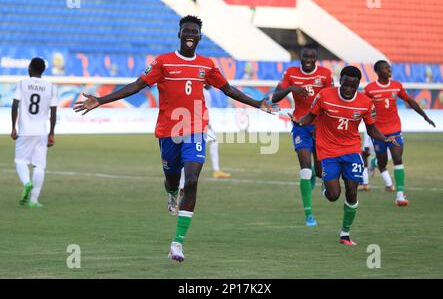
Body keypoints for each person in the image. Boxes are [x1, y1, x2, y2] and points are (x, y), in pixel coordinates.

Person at [73, 15, 274, 262]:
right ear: (179, 34)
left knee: (190, 181)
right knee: (171, 179)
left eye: (195, 31)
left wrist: (258, 104)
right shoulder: (163, 62)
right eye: (186, 31)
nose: (190, 35)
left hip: (196, 130)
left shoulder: (207, 65)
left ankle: (177, 244)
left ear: (200, 36)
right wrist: (101, 101)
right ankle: (170, 192)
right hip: (168, 132)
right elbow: (137, 86)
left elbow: (228, 89)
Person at [290, 66, 399, 246]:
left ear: (358, 85)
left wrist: (385, 138)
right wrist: (299, 122)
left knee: (352, 191)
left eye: (353, 86)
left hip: (351, 150)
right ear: (340, 80)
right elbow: (310, 116)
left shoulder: (365, 102)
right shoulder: (324, 95)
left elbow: (371, 128)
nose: (349, 89)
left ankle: (345, 234)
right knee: (333, 195)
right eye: (346, 84)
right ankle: (326, 183)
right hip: (328, 151)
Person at [272, 47, 333, 227]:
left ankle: (317, 173)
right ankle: (309, 215)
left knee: (322, 172)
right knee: (304, 168)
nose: (308, 59)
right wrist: (291, 88)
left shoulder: (325, 74)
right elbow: (275, 96)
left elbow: (331, 100)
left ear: (316, 58)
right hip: (300, 126)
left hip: (320, 127)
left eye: (312, 57)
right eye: (305, 56)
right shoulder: (291, 73)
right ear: (300, 57)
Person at [364, 60, 435, 206]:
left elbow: (410, 101)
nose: (389, 70)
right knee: (382, 162)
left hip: (395, 130)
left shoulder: (396, 86)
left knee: (397, 158)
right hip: (379, 133)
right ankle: (374, 163)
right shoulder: (370, 89)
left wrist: (425, 116)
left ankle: (400, 196)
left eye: (389, 68)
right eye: (385, 68)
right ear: (377, 72)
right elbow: (363, 107)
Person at [11, 57, 58, 208]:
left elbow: (15, 104)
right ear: (43, 70)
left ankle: (27, 183)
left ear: (30, 68)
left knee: (21, 161)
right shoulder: (50, 87)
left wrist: (13, 127)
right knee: (39, 166)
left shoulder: (22, 84)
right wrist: (51, 133)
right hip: (41, 132)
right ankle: (34, 201)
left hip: (25, 131)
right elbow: (54, 111)